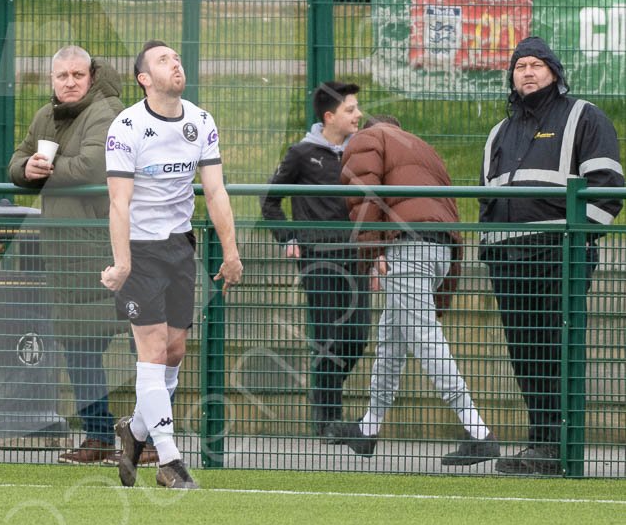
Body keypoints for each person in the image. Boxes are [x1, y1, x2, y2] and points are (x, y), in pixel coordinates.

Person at [101, 40, 243, 490]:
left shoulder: (200, 121)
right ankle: (169, 460)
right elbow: (118, 202)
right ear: (144, 79)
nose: (175, 63)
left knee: (176, 353)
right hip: (140, 251)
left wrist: (231, 251)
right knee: (153, 351)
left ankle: (135, 432)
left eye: (176, 58)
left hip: (181, 247)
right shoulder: (126, 126)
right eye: (163, 60)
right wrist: (122, 262)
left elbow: (216, 192)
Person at [479, 36, 623, 475]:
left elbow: (608, 187)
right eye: (520, 65)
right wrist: (491, 253)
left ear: (555, 73)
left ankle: (563, 446)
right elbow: (486, 199)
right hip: (509, 261)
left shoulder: (584, 117)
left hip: (560, 255)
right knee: (526, 354)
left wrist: (577, 242)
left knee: (558, 350)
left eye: (537, 64)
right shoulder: (498, 133)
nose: (527, 72)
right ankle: (542, 446)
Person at [326, 114, 500, 467]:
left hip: (407, 248)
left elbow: (363, 192)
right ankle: (369, 429)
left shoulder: (368, 137)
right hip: (440, 250)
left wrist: (371, 251)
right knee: (392, 339)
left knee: (425, 338)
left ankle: (479, 432)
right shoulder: (421, 146)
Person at [9, 45, 140, 465]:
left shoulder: (106, 111)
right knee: (80, 350)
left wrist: (44, 173)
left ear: (91, 76)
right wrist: (25, 170)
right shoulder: (45, 116)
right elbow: (16, 160)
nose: (69, 82)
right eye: (61, 75)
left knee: (147, 347)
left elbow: (91, 166)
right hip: (65, 257)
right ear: (52, 79)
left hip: (110, 251)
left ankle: (150, 437)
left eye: (77, 75)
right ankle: (99, 435)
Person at [261, 81, 371, 436]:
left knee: (357, 334)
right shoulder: (301, 153)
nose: (358, 115)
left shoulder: (362, 152)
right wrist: (288, 237)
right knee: (326, 336)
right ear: (329, 116)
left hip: (355, 259)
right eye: (350, 110)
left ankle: (324, 392)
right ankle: (327, 420)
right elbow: (270, 202)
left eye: (357, 108)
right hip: (318, 259)